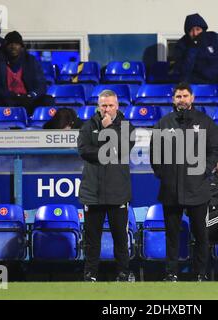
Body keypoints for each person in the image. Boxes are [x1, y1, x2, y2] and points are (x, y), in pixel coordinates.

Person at [150, 82, 218, 281]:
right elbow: (155, 154)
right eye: (178, 96)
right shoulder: (163, 123)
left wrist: (204, 171)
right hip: (170, 190)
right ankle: (171, 274)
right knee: (172, 236)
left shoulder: (206, 122)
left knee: (201, 235)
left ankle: (200, 274)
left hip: (197, 189)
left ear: (192, 98)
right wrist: (164, 174)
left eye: (185, 96)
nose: (181, 99)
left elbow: (215, 151)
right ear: (173, 99)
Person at [78, 90, 135, 282]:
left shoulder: (127, 127)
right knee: (92, 241)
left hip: (117, 192)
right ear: (98, 106)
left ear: (117, 106)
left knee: (120, 238)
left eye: (111, 105)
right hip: (92, 192)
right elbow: (84, 151)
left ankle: (123, 274)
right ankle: (90, 275)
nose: (107, 109)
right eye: (104, 105)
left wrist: (108, 130)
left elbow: (123, 149)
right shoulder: (88, 126)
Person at [0, 31, 54, 115]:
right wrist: (10, 95)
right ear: (5, 46)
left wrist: (32, 95)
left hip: (27, 99)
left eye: (17, 44)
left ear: (21, 46)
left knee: (48, 100)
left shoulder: (30, 60)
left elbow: (41, 85)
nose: (13, 47)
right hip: (6, 99)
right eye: (10, 44)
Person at [172, 13, 218, 91]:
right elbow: (184, 70)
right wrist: (192, 48)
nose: (195, 33)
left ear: (203, 29)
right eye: (191, 30)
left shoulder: (213, 38)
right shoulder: (182, 45)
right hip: (197, 79)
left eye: (198, 29)